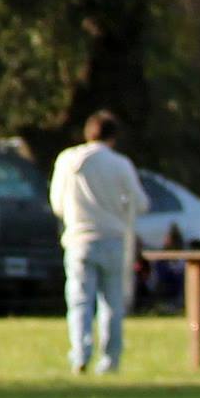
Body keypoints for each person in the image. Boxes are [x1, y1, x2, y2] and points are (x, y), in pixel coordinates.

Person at [49, 110, 150, 375]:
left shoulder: (67, 160)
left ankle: (80, 354)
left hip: (79, 239)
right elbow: (140, 203)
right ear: (113, 137)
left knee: (80, 301)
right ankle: (110, 360)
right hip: (113, 240)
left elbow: (58, 205)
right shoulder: (120, 164)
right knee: (112, 303)